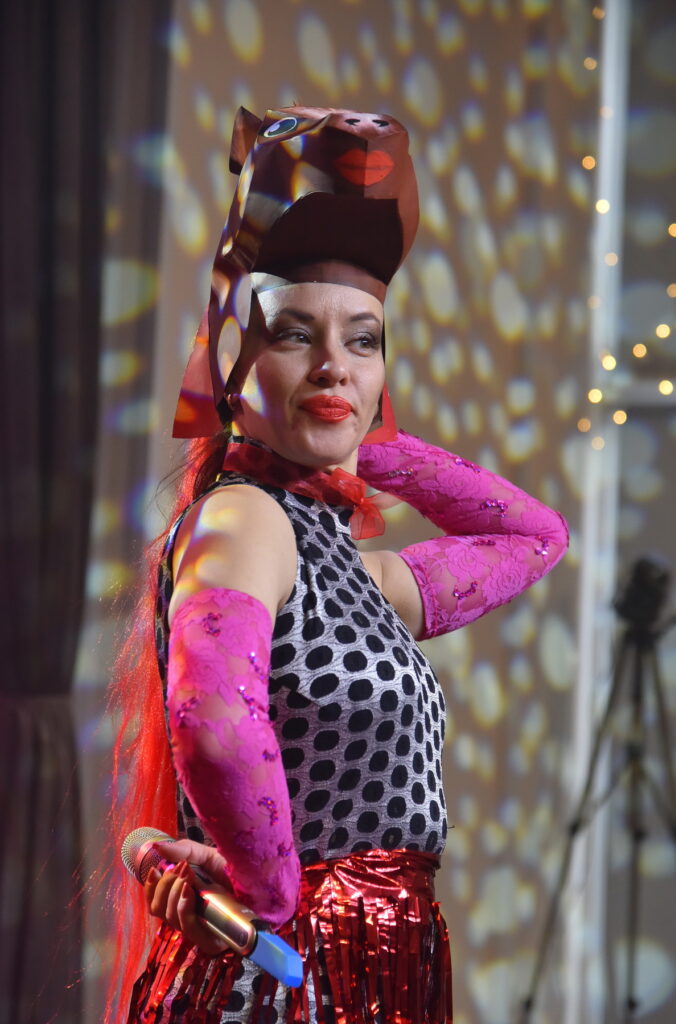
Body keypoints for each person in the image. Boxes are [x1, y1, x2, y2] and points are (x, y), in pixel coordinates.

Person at [109, 106, 569, 1024]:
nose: (334, 364)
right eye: (293, 335)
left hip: (372, 959)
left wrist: (362, 431)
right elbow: (213, 722)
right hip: (289, 974)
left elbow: (533, 537)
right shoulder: (245, 517)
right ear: (234, 363)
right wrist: (271, 899)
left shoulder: (353, 571)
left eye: (362, 340)